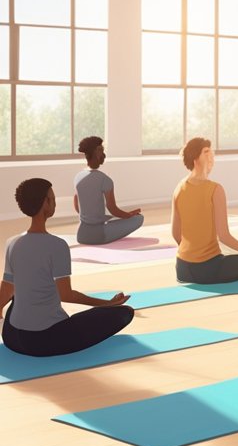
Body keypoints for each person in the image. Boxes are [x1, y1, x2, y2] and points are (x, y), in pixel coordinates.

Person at [1, 179, 133, 356]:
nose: (54, 202)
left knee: (21, 292)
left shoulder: (12, 243)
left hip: (11, 336)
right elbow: (67, 295)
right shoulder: (57, 245)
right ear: (45, 203)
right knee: (124, 313)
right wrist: (107, 304)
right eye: (52, 199)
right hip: (44, 340)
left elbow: (6, 290)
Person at [171, 137, 238, 284]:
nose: (211, 156)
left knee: (226, 254)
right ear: (194, 158)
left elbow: (176, 235)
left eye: (212, 152)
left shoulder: (179, 188)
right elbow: (224, 236)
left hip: (182, 268)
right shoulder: (215, 189)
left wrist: (192, 253)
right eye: (206, 152)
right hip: (208, 269)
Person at [72, 136, 144, 245]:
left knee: (112, 219)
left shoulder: (78, 176)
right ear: (97, 152)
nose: (104, 154)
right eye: (102, 150)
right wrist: (129, 215)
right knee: (139, 219)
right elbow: (112, 209)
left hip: (81, 234)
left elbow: (78, 207)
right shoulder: (105, 180)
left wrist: (93, 217)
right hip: (99, 235)